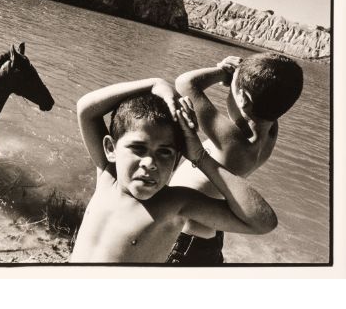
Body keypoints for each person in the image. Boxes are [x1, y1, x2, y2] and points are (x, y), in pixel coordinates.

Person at [70, 78, 277, 263]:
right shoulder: (107, 176)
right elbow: (85, 109)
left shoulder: (176, 204)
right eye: (138, 148)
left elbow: (263, 222)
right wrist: (154, 84)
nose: (150, 162)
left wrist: (200, 157)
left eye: (165, 152)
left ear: (178, 157)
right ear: (110, 149)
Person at [167, 53, 303, 264]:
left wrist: (222, 71)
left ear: (243, 99)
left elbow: (185, 83)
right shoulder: (269, 135)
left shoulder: (233, 141)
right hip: (209, 238)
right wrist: (238, 81)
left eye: (231, 88)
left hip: (184, 241)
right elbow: (274, 93)